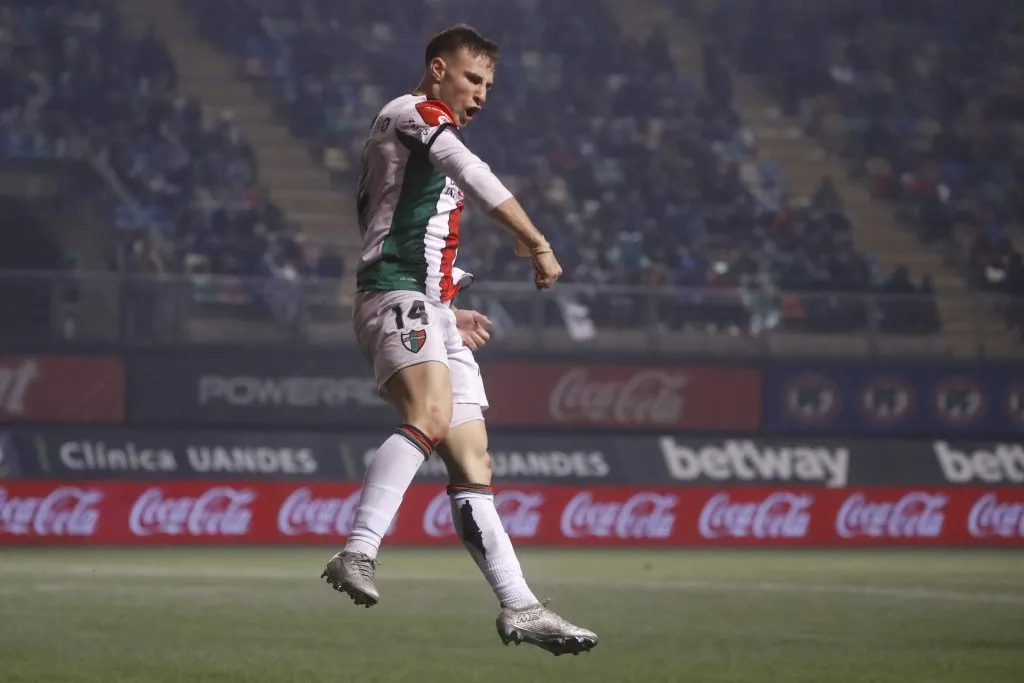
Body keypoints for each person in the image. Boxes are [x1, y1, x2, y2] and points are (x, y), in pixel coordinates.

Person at [320, 25, 598, 657]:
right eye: (474, 80)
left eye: (489, 86)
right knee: (431, 415)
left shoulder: (423, 131)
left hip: (430, 305)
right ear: (439, 68)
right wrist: (536, 241)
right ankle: (358, 552)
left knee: (474, 463)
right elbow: (471, 172)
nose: (482, 95)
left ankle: (521, 606)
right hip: (394, 294)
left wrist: (450, 307)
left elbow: (413, 219)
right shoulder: (414, 112)